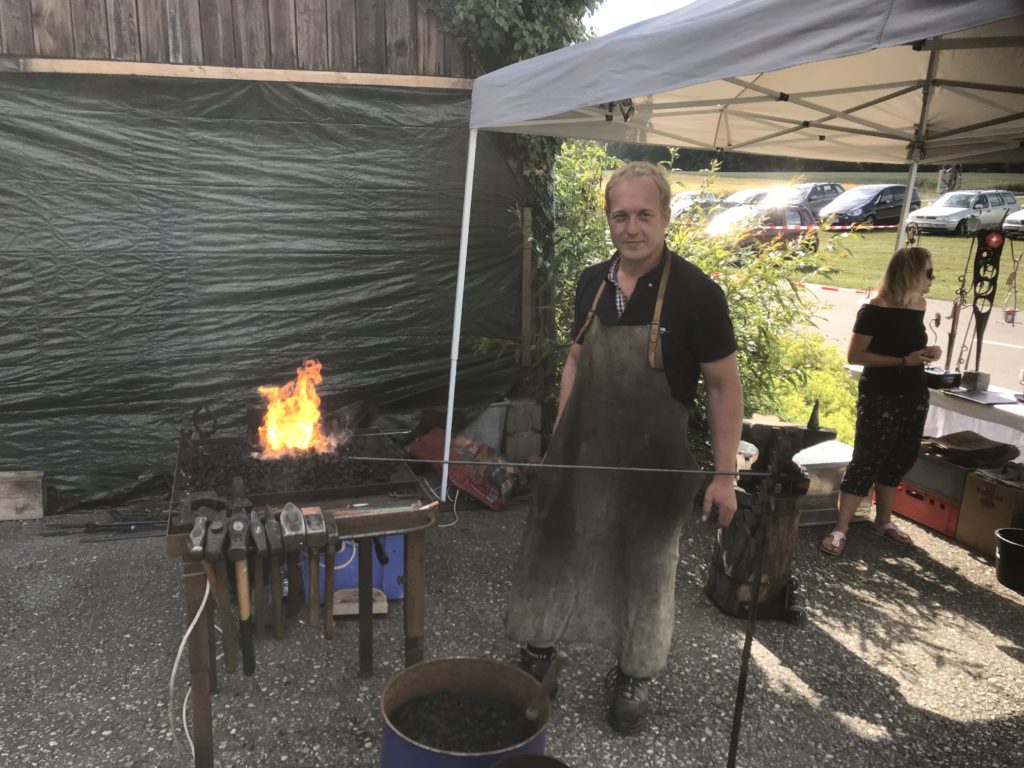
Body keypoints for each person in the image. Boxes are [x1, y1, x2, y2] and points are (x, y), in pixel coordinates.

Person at [506, 162, 744, 734]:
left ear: (665, 216)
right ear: (608, 218)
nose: (631, 227)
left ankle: (634, 672)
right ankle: (539, 651)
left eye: (643, 214)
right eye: (620, 215)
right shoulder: (592, 283)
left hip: (653, 468)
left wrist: (724, 474)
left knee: (645, 570)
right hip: (582, 454)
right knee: (556, 548)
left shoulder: (697, 295)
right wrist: (560, 436)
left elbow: (722, 385)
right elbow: (576, 360)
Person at [820, 247, 941, 556]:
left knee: (900, 457)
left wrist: (927, 354)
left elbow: (911, 346)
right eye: (928, 272)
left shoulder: (919, 305)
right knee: (867, 458)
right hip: (880, 394)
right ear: (911, 273)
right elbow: (856, 356)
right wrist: (904, 359)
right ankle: (840, 528)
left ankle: (884, 522)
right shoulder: (873, 309)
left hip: (914, 392)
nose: (932, 278)